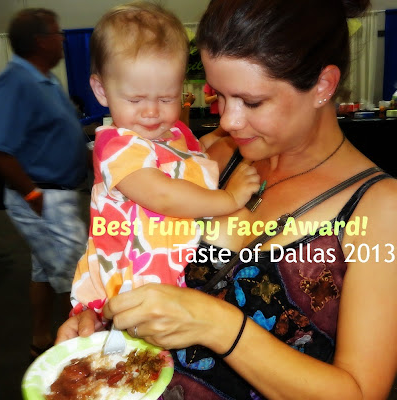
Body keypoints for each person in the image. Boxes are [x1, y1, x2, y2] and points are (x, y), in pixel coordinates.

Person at [57, 0, 397, 399]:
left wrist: (219, 326)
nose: (227, 120)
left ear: (322, 86)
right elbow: (135, 244)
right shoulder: (213, 155)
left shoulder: (378, 207)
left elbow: (359, 392)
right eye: (217, 94)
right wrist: (99, 315)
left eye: (252, 101)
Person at [69, 3, 259, 320]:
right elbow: (162, 195)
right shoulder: (117, 146)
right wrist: (228, 198)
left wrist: (222, 133)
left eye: (167, 97)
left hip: (172, 269)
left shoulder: (171, 132)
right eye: (136, 99)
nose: (152, 112)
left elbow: (192, 154)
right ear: (102, 90)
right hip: (136, 275)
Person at [0, 8, 88, 360]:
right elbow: (0, 148)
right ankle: (80, 352)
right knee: (78, 274)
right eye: (57, 33)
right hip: (42, 194)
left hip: (54, 194)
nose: (63, 39)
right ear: (40, 41)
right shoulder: (15, 81)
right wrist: (32, 194)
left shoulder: (43, 78)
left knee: (45, 269)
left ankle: (40, 337)